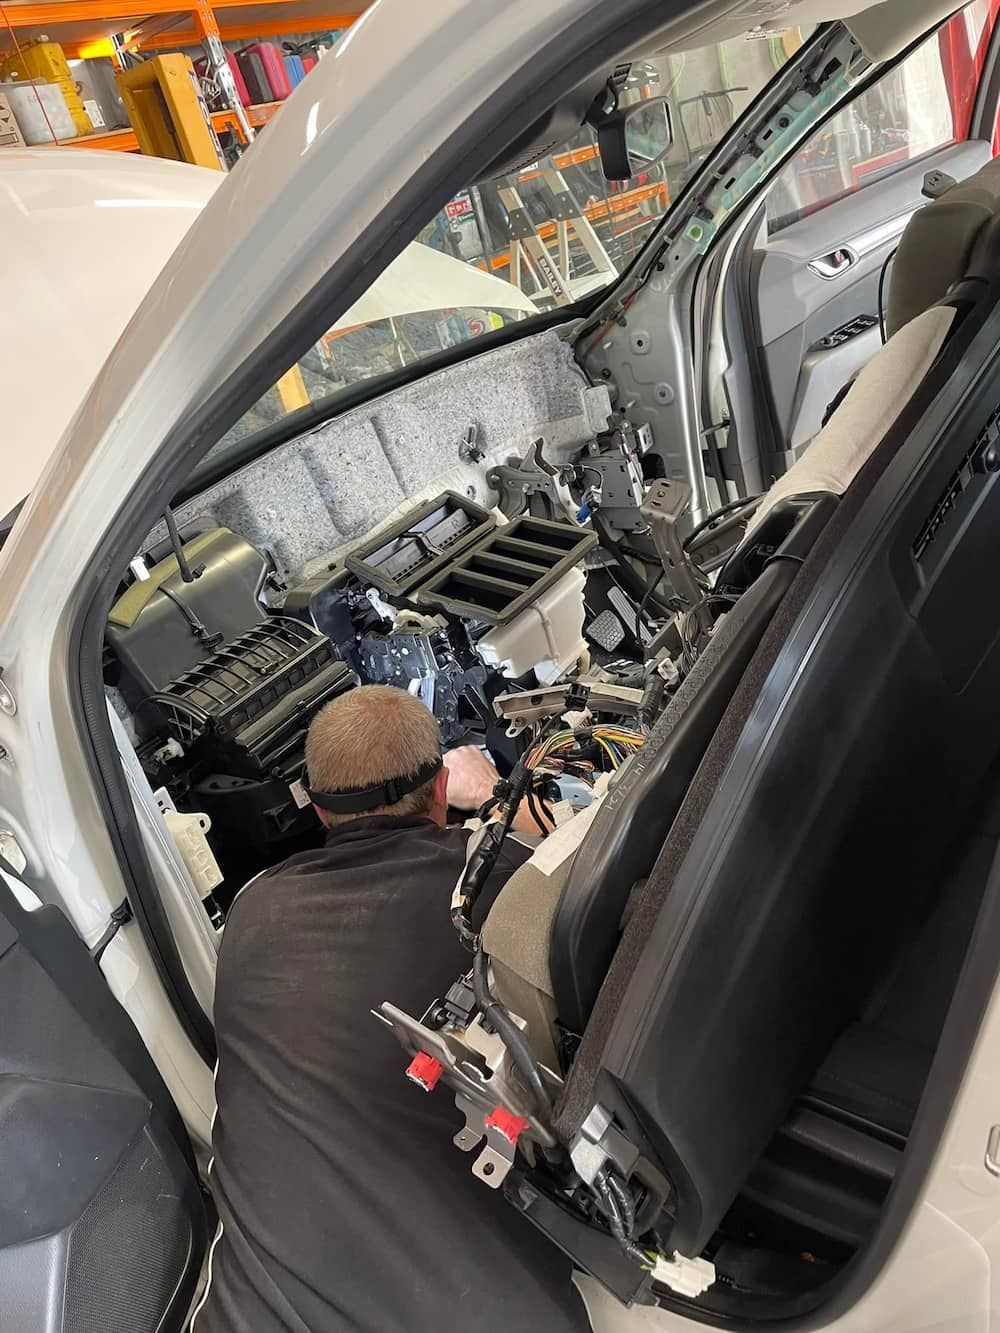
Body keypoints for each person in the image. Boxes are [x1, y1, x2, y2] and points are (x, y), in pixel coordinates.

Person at [192, 684, 590, 1333]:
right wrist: (492, 800)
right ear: (438, 788)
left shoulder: (253, 910)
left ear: (319, 810)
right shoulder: (500, 882)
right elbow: (575, 867)